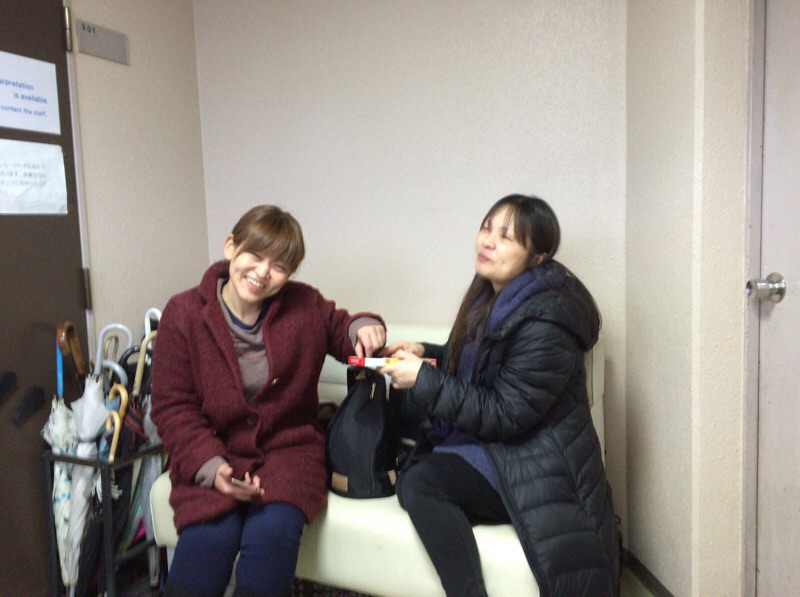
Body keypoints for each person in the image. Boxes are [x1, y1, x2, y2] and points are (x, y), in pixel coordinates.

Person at [380, 194, 619, 597]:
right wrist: (427, 354)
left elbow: (507, 413)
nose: (487, 241)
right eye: (486, 228)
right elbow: (477, 365)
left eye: (506, 236)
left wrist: (423, 380)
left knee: (422, 482)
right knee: (413, 477)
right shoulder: (491, 296)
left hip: (535, 458)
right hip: (500, 445)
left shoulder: (548, 320)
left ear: (537, 257)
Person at [151, 205, 385, 597]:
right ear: (231, 247)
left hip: (287, 453)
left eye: (279, 266)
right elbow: (172, 407)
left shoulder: (304, 305)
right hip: (212, 451)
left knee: (270, 545)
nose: (262, 272)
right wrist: (212, 468)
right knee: (206, 549)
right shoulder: (183, 313)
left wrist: (366, 328)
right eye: (255, 256)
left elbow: (344, 330)